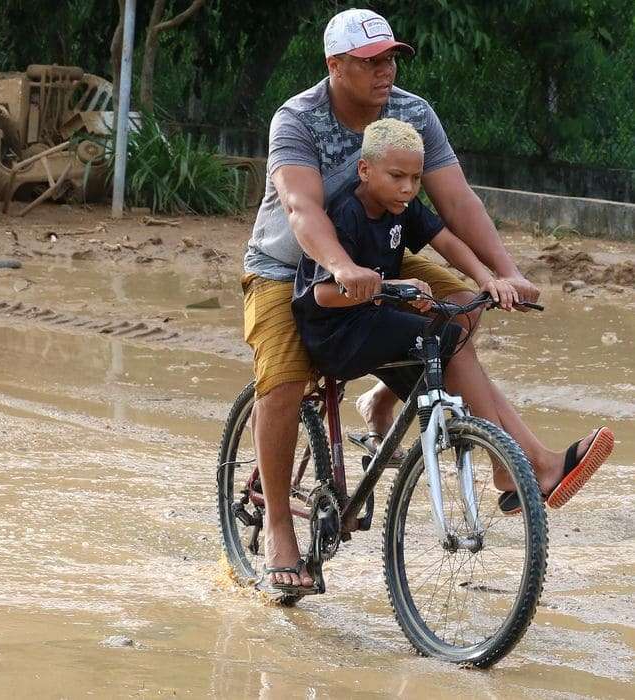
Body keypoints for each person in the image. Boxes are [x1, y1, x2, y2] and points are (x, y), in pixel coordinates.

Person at [241, 8, 586, 593]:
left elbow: (454, 204)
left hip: (382, 254)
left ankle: (397, 405)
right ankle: (279, 525)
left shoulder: (412, 111)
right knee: (282, 380)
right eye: (370, 62)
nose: (385, 72)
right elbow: (302, 209)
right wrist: (341, 266)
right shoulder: (298, 118)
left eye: (391, 58)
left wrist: (505, 272)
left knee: (461, 307)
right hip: (292, 265)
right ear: (335, 66)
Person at [286, 119, 613, 597]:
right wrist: (388, 286)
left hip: (376, 320)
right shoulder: (347, 214)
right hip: (337, 335)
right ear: (364, 170)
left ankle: (506, 457)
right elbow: (323, 296)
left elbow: (448, 242)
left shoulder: (404, 208)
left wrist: (489, 278)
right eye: (396, 176)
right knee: (442, 340)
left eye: (415, 178)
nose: (407, 187)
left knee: (454, 322)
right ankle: (518, 463)